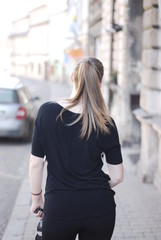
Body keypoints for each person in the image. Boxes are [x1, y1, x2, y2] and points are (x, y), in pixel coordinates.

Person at [29, 57, 124, 240]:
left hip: (60, 208)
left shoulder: (47, 112)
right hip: (100, 207)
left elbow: (35, 163)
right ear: (100, 83)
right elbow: (118, 176)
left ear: (73, 77)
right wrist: (98, 188)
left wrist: (36, 198)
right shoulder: (106, 123)